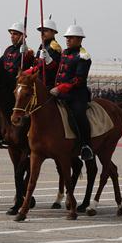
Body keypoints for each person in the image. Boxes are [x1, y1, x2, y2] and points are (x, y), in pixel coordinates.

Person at [49, 25, 93, 161]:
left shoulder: (83, 56)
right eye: (67, 38)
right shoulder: (64, 53)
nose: (68, 40)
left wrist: (60, 88)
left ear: (80, 39)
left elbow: (78, 80)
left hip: (76, 95)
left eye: (71, 38)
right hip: (60, 93)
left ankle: (85, 145)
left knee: (79, 115)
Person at [30, 15, 62, 88]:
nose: (42, 33)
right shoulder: (42, 46)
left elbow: (55, 68)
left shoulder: (54, 47)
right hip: (38, 82)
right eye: (41, 31)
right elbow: (36, 64)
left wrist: (48, 61)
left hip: (48, 84)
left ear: (53, 32)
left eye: (46, 31)